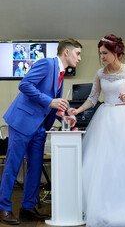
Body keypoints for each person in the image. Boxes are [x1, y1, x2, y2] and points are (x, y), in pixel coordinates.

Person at [70, 34, 125, 227]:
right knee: (101, 162)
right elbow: (93, 98)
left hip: (123, 118)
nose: (101, 56)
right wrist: (78, 110)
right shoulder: (100, 73)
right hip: (104, 118)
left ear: (116, 52)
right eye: (100, 53)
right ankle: (101, 206)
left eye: (105, 53)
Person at [0, 38, 82, 225]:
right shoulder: (47, 63)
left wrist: (63, 115)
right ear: (67, 52)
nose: (80, 58)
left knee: (36, 168)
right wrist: (50, 101)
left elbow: (51, 104)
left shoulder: (61, 74)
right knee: (13, 165)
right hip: (22, 122)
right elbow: (24, 85)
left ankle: (27, 208)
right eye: (78, 53)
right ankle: (4, 207)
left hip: (39, 127)